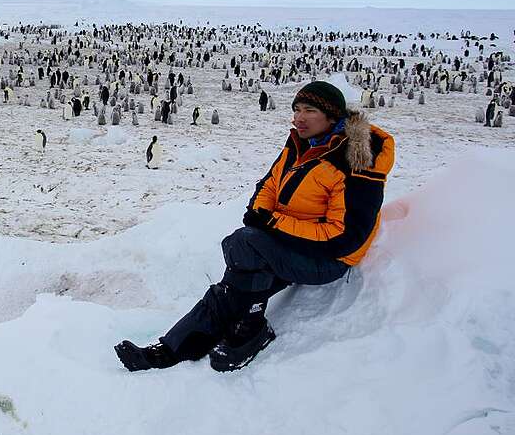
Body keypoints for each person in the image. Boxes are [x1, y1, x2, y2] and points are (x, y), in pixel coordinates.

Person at [115, 81, 395, 372]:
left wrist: (273, 222)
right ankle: (172, 349)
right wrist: (259, 211)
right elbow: (271, 183)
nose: (299, 117)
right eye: (296, 109)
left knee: (244, 245)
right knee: (234, 284)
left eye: (309, 110)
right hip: (291, 242)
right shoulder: (301, 143)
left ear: (333, 116)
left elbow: (346, 237)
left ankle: (252, 326)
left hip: (327, 257)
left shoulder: (357, 161)